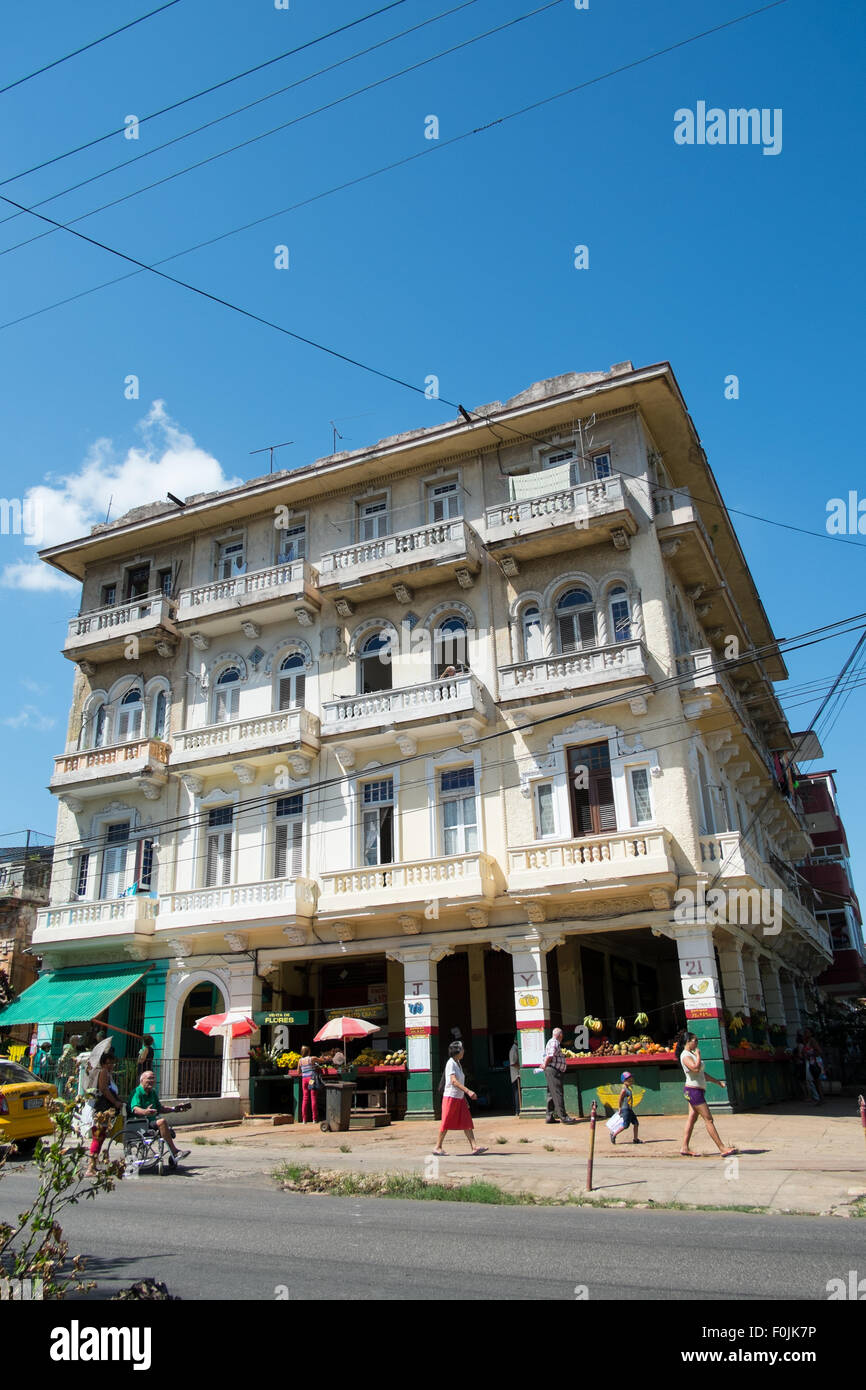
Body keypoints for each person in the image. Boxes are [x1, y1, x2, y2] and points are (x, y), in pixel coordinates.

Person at [676, 1032, 735, 1157]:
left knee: (692, 1119)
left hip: (696, 1090)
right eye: (695, 1040)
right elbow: (695, 1069)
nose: (697, 1043)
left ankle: (684, 1147)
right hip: (693, 1091)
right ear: (688, 1041)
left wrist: (717, 1082)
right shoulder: (685, 1055)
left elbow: (702, 1074)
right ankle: (722, 1148)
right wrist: (698, 1055)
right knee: (709, 1119)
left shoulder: (690, 1054)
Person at [432, 1041, 486, 1156]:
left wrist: (464, 1098)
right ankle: (438, 1147)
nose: (463, 1051)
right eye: (462, 1049)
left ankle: (474, 1147)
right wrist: (468, 1091)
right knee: (445, 1122)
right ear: (456, 1051)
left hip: (459, 1098)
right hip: (450, 1097)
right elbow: (453, 1081)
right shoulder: (451, 1063)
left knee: (467, 1122)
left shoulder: (458, 1063)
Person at [127, 1071, 190, 1166]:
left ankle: (173, 1155)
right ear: (142, 1080)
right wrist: (145, 1112)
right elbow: (135, 1109)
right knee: (162, 1122)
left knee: (164, 1126)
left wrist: (174, 1109)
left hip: (150, 1122)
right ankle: (174, 1152)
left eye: (153, 1079)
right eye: (149, 1078)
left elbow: (160, 1108)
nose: (152, 1081)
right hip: (138, 1123)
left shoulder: (152, 1093)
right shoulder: (137, 1092)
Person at [84, 1049, 124, 1176]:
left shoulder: (108, 1074)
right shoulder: (103, 1073)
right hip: (101, 1110)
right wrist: (115, 1102)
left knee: (100, 1138)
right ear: (103, 1064)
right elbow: (104, 1090)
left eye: (112, 1063)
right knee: (98, 1137)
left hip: (106, 1110)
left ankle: (93, 1166)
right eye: (108, 1063)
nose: (111, 1066)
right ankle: (90, 1168)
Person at [542, 1027, 576, 1124]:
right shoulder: (554, 1042)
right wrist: (545, 1064)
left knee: (551, 1094)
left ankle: (549, 1116)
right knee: (557, 1093)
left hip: (552, 1070)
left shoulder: (552, 1041)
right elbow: (550, 1055)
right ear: (560, 1035)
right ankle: (564, 1117)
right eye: (562, 1036)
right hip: (553, 1070)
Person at [610, 1071, 641, 1145]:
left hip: (629, 1109)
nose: (631, 1080)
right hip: (625, 1109)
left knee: (636, 1123)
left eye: (631, 1079)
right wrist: (620, 1108)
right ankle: (613, 1134)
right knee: (626, 1125)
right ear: (624, 1081)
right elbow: (620, 1099)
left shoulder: (629, 1089)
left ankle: (635, 1139)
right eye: (628, 1079)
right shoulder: (624, 1090)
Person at [298, 1045, 322, 1124]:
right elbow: (321, 1060)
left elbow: (299, 1072)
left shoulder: (300, 1061)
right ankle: (314, 1118)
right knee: (313, 1097)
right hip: (311, 1079)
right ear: (308, 1051)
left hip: (304, 1079)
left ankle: (304, 1119)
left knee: (305, 1098)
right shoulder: (312, 1058)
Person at [508, 1036, 521, 1117]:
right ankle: (517, 1111)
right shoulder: (514, 1049)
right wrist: (521, 1067)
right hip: (516, 1075)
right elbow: (513, 1063)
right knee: (517, 1094)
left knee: (518, 1093)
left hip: (518, 1074)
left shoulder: (517, 1048)